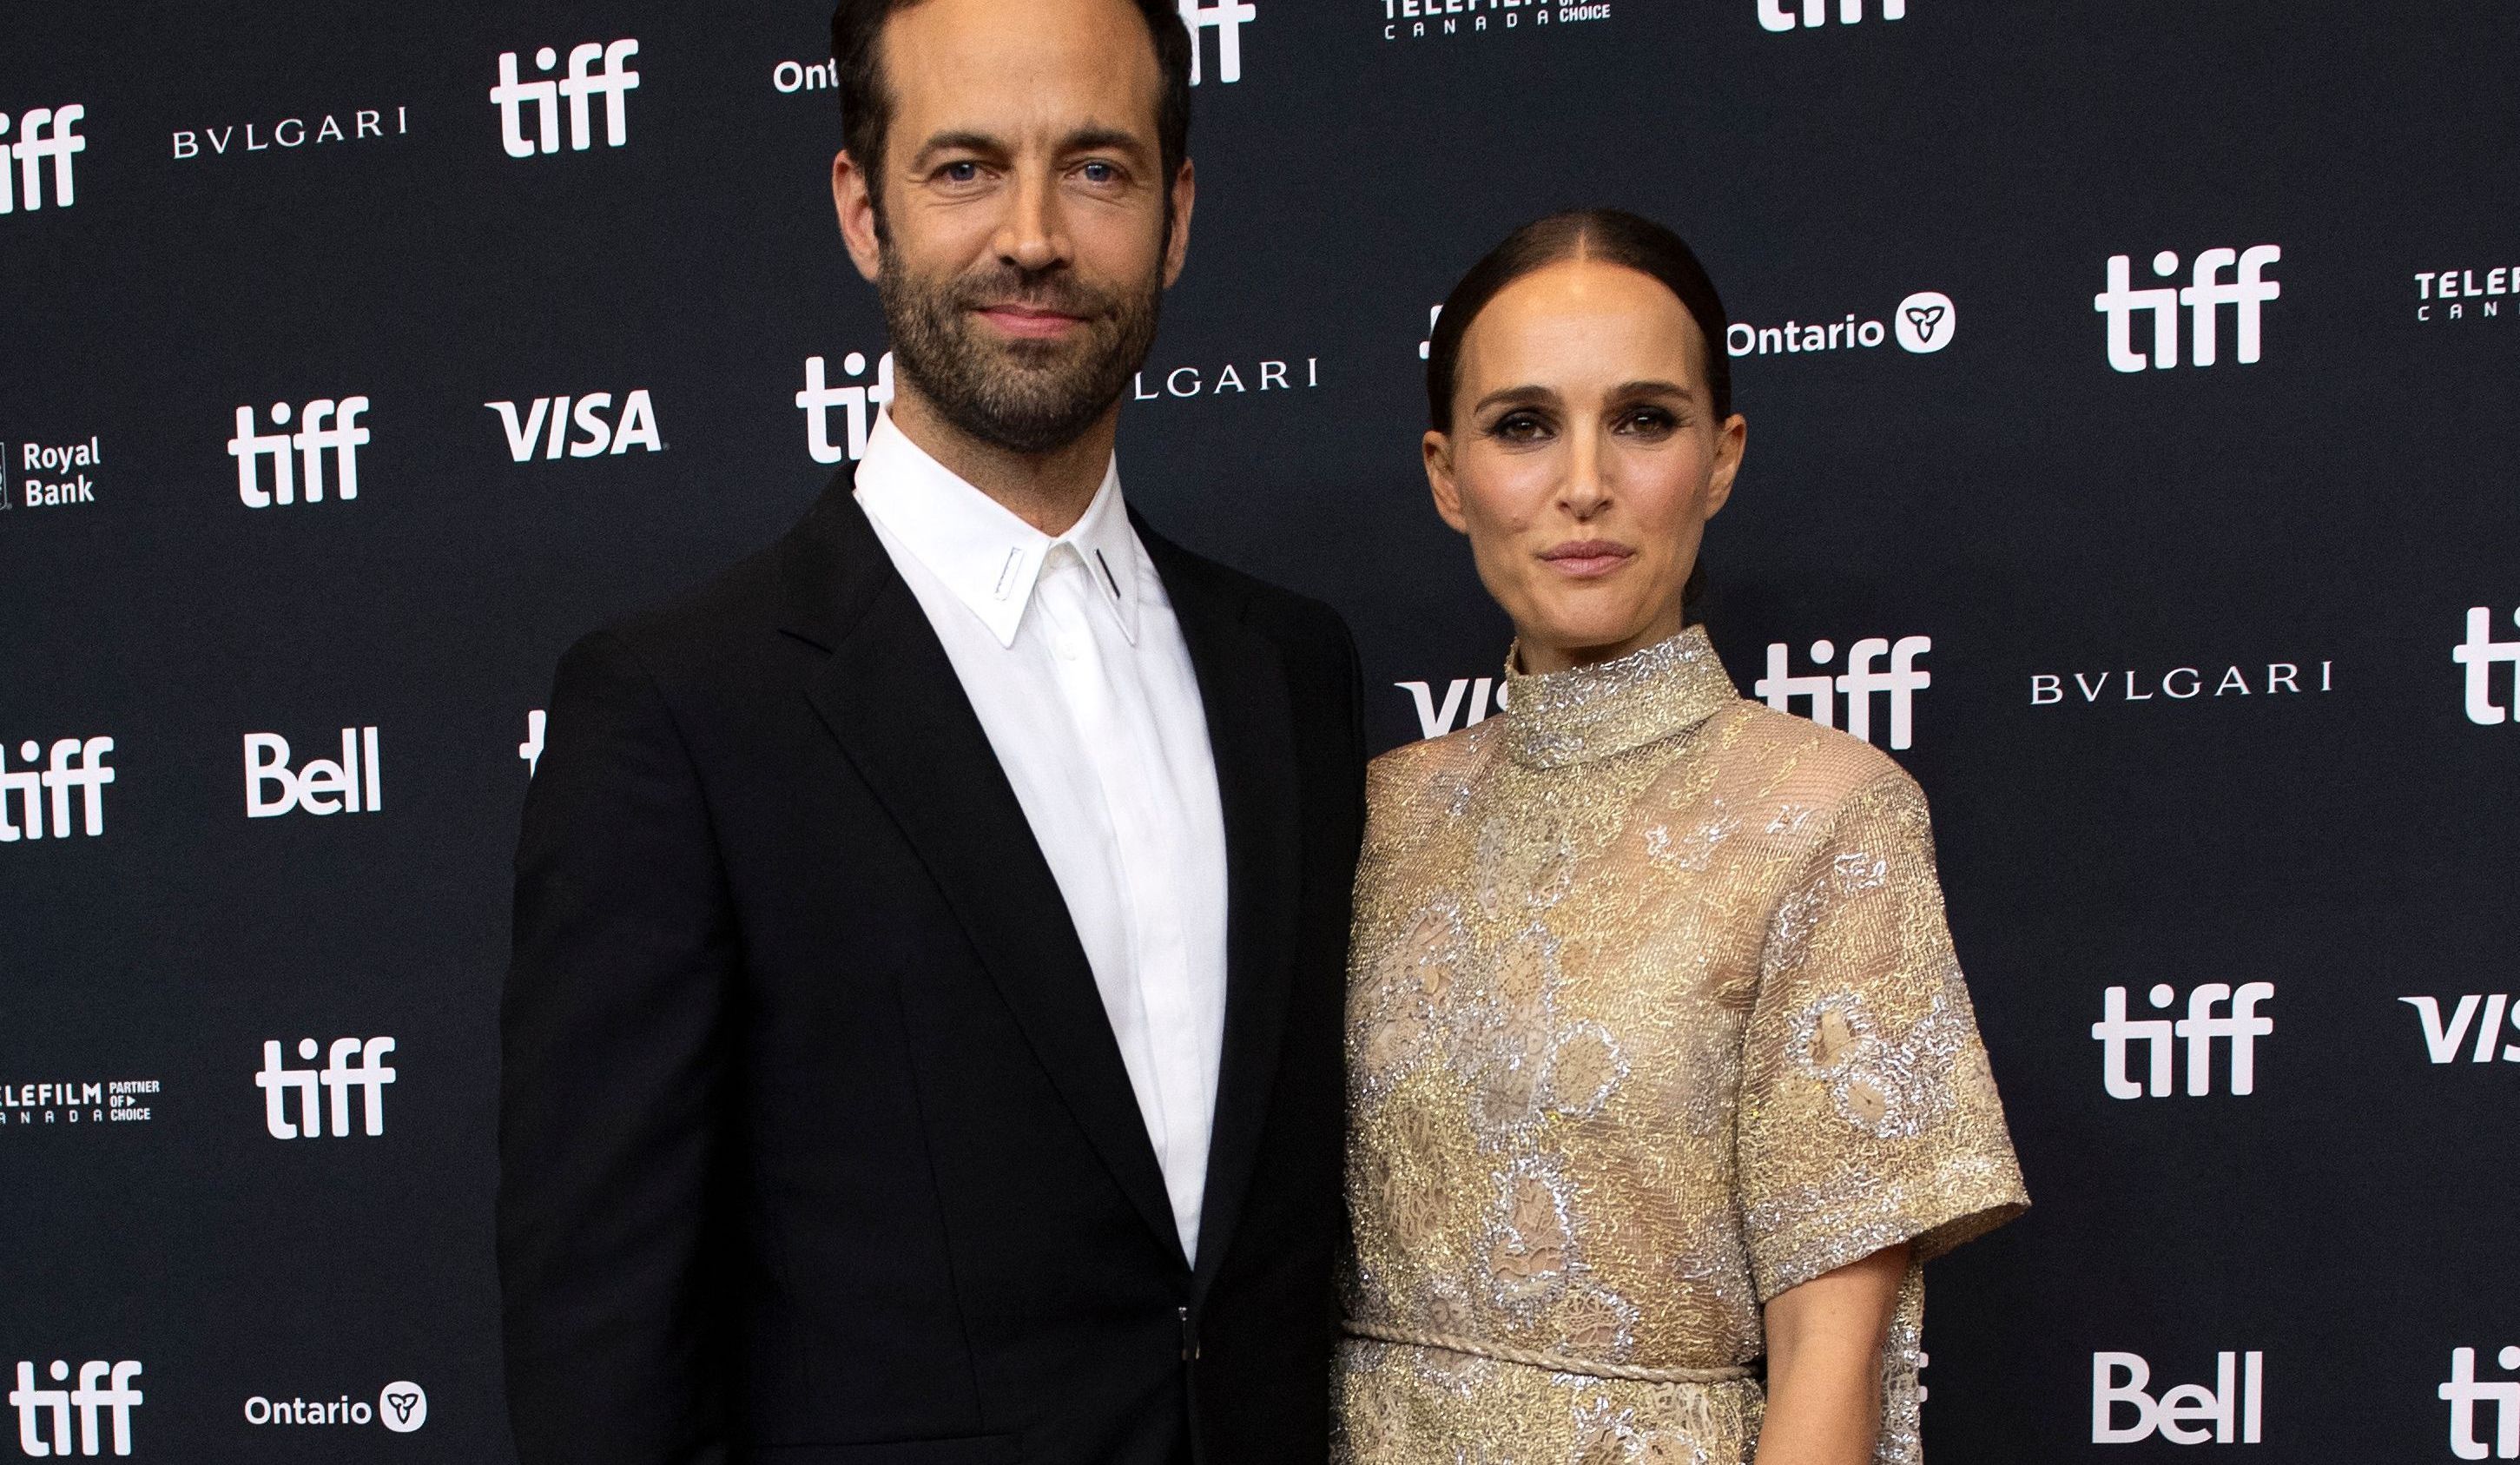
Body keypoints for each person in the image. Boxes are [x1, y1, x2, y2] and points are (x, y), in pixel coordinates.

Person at [496, 1, 1366, 1461]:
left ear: (1177, 214)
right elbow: (605, 1353)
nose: (1032, 234)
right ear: (861, 207)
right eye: (963, 167)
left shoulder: (1290, 670)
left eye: (1095, 168)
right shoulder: (675, 710)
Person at [1336, 209, 2027, 1465]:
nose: (1583, 483)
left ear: (1721, 456)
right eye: (1523, 425)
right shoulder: (1369, 813)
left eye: (1644, 420)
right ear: (1447, 474)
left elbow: (1833, 1343)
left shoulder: (1826, 811)